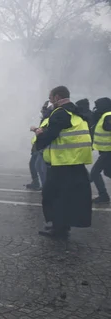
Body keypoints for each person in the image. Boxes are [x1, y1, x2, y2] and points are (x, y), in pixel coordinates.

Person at [33, 86, 92, 238]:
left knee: (53, 195)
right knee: (67, 196)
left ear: (57, 97)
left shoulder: (61, 113)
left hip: (61, 161)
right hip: (75, 160)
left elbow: (50, 135)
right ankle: (62, 226)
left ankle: (58, 229)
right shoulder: (76, 111)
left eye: (51, 97)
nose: (50, 100)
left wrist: (39, 134)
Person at [26, 101, 53, 190]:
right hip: (38, 146)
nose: (43, 111)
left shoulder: (50, 119)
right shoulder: (45, 119)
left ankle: (43, 185)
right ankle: (40, 184)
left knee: (39, 166)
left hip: (42, 147)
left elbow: (45, 132)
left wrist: (35, 129)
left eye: (45, 109)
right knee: (36, 165)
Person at [90, 97, 111, 204]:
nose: (96, 109)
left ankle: (103, 195)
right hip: (105, 151)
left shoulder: (108, 116)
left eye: (98, 106)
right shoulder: (104, 116)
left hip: (108, 152)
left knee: (94, 173)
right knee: (108, 172)